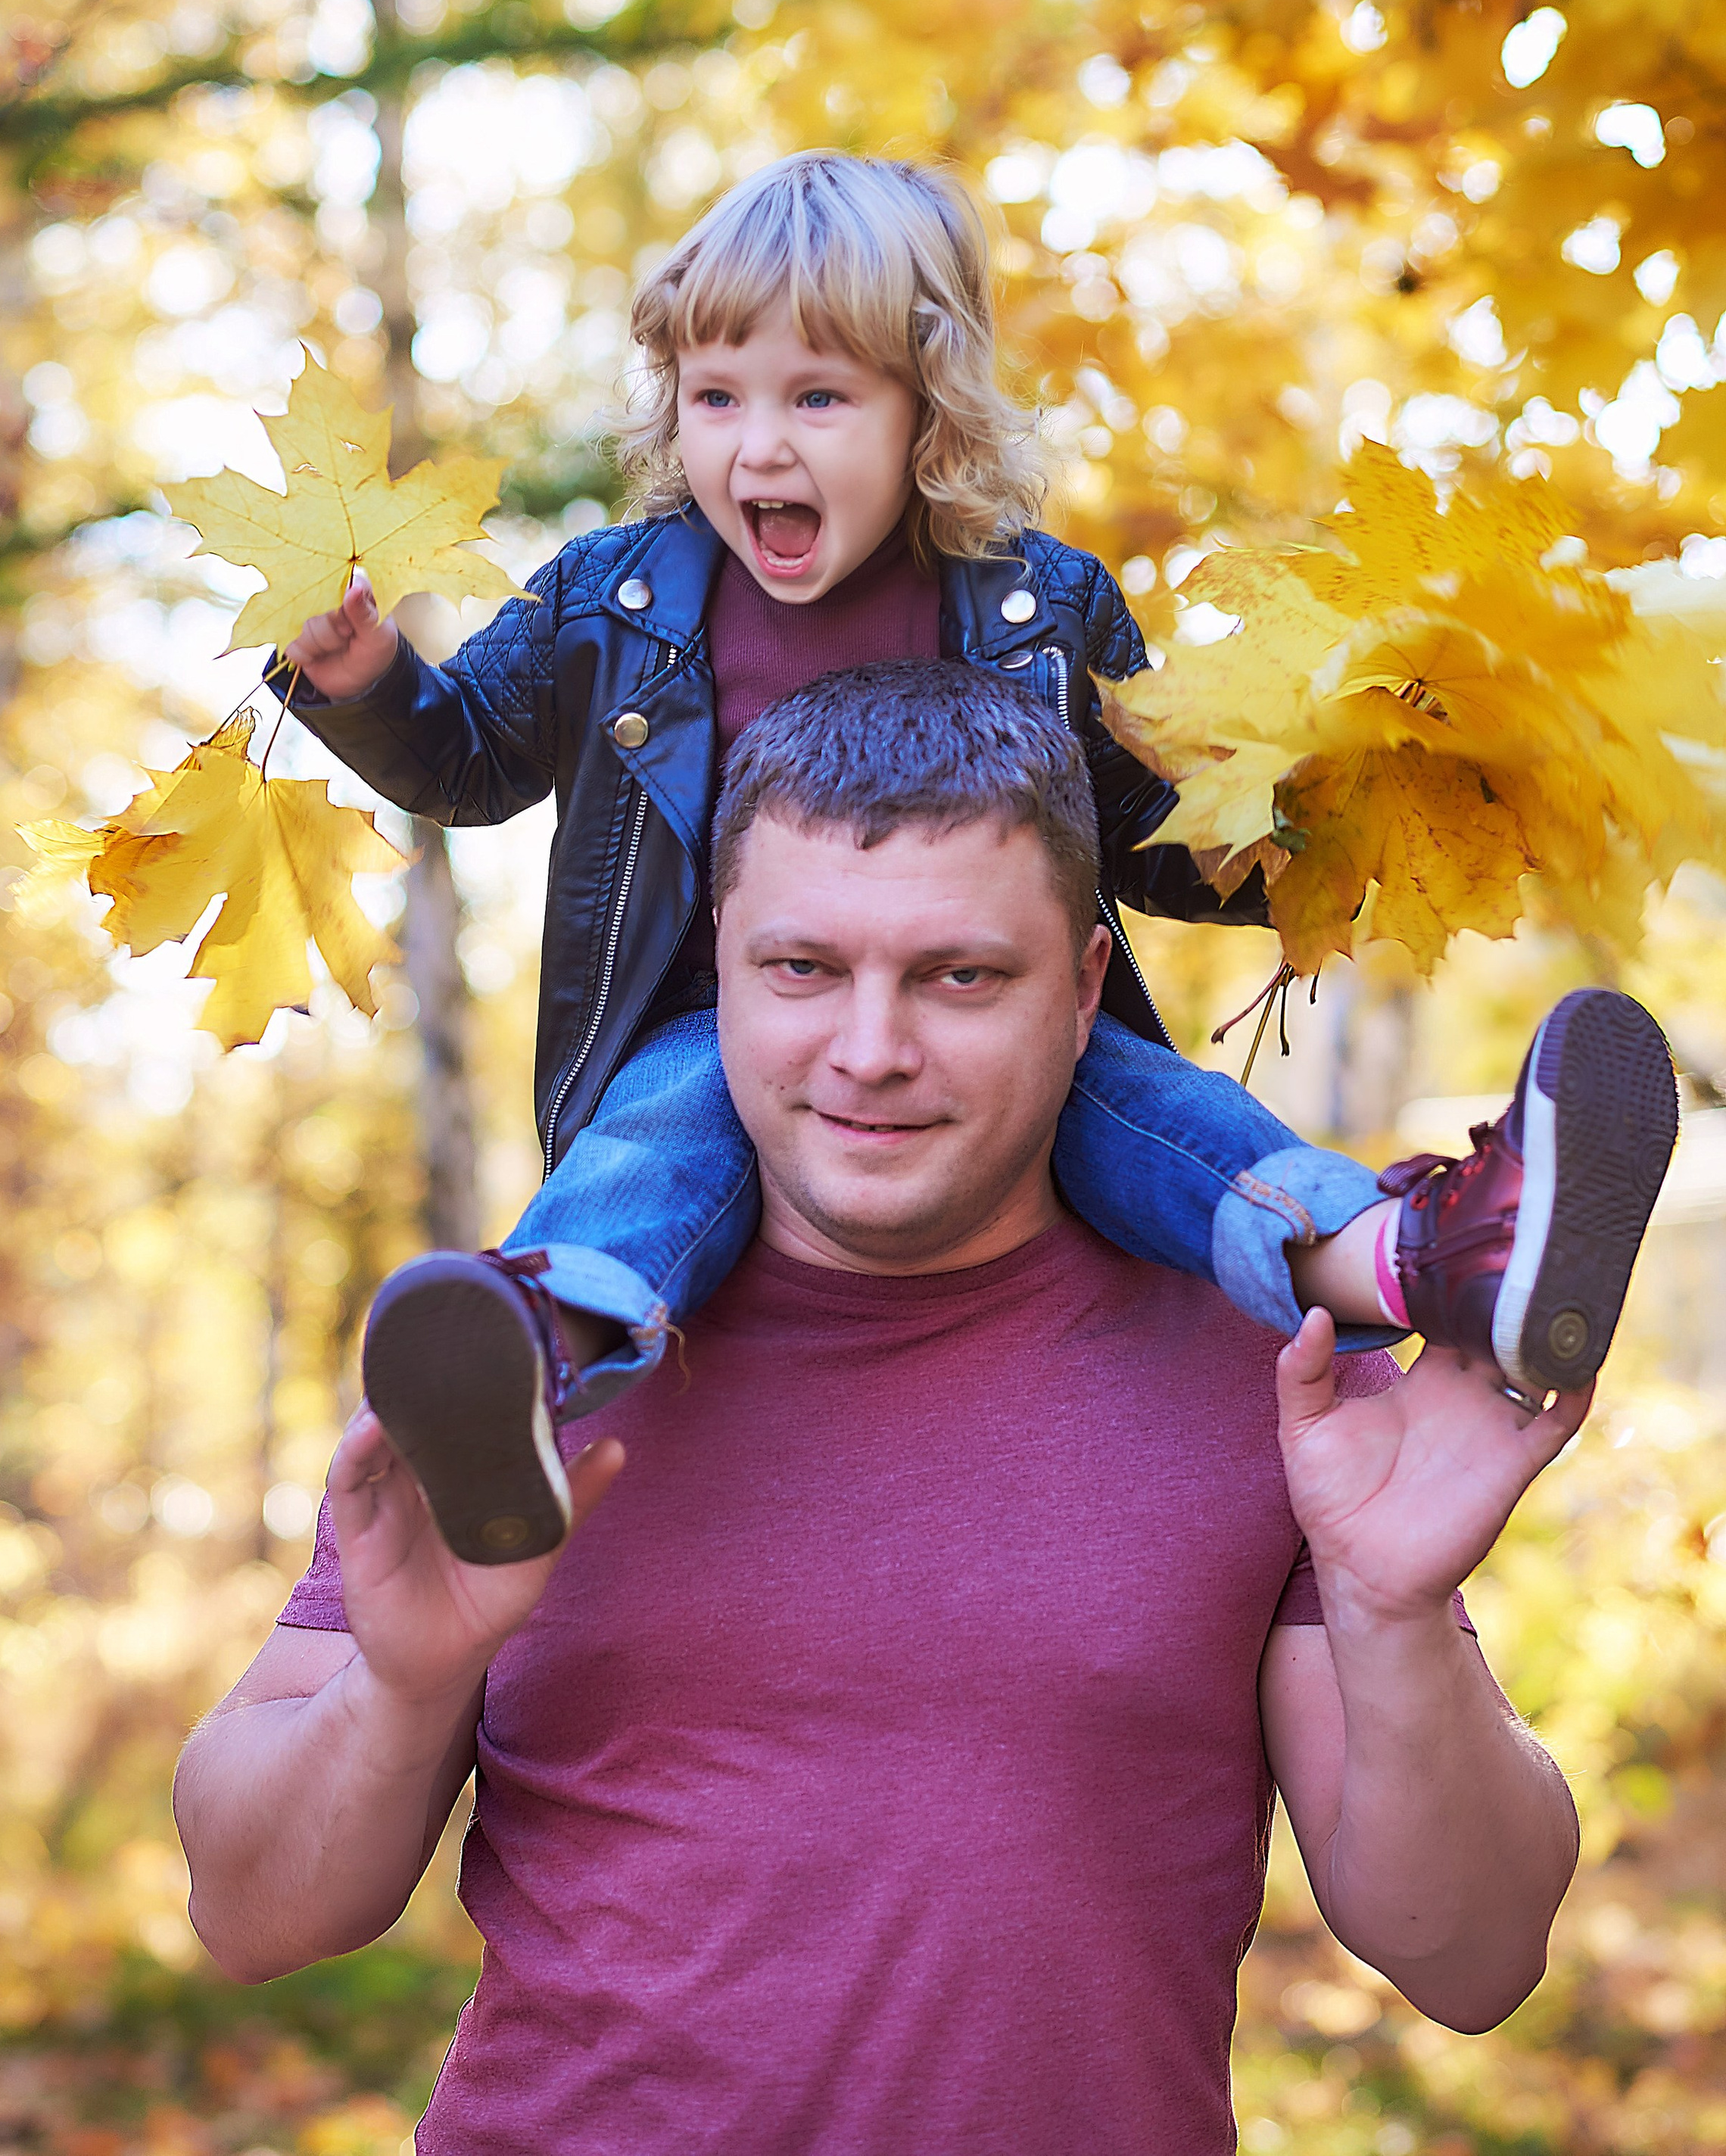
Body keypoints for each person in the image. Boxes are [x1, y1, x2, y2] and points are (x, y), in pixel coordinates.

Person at [175, 665, 1587, 2154]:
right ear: (716, 957)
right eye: (799, 969)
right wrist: (395, 1688)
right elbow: (253, 1912)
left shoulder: (1280, 1367)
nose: (867, 1051)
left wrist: (1392, 1611)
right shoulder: (515, 1359)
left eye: (957, 976)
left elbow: (1472, 1957)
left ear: (1086, 985)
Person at [278, 151, 1675, 1563]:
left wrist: (1331, 814)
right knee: (658, 1138)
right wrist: (364, 676)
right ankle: (531, 1356)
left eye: (818, 397)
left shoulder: (1038, 607)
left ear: (923, 407)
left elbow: (1154, 834)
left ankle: (1434, 1260)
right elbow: (468, 761)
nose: (758, 448)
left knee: (1162, 1114)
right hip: (715, 1021)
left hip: (990, 1017)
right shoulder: (615, 599)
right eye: (718, 398)